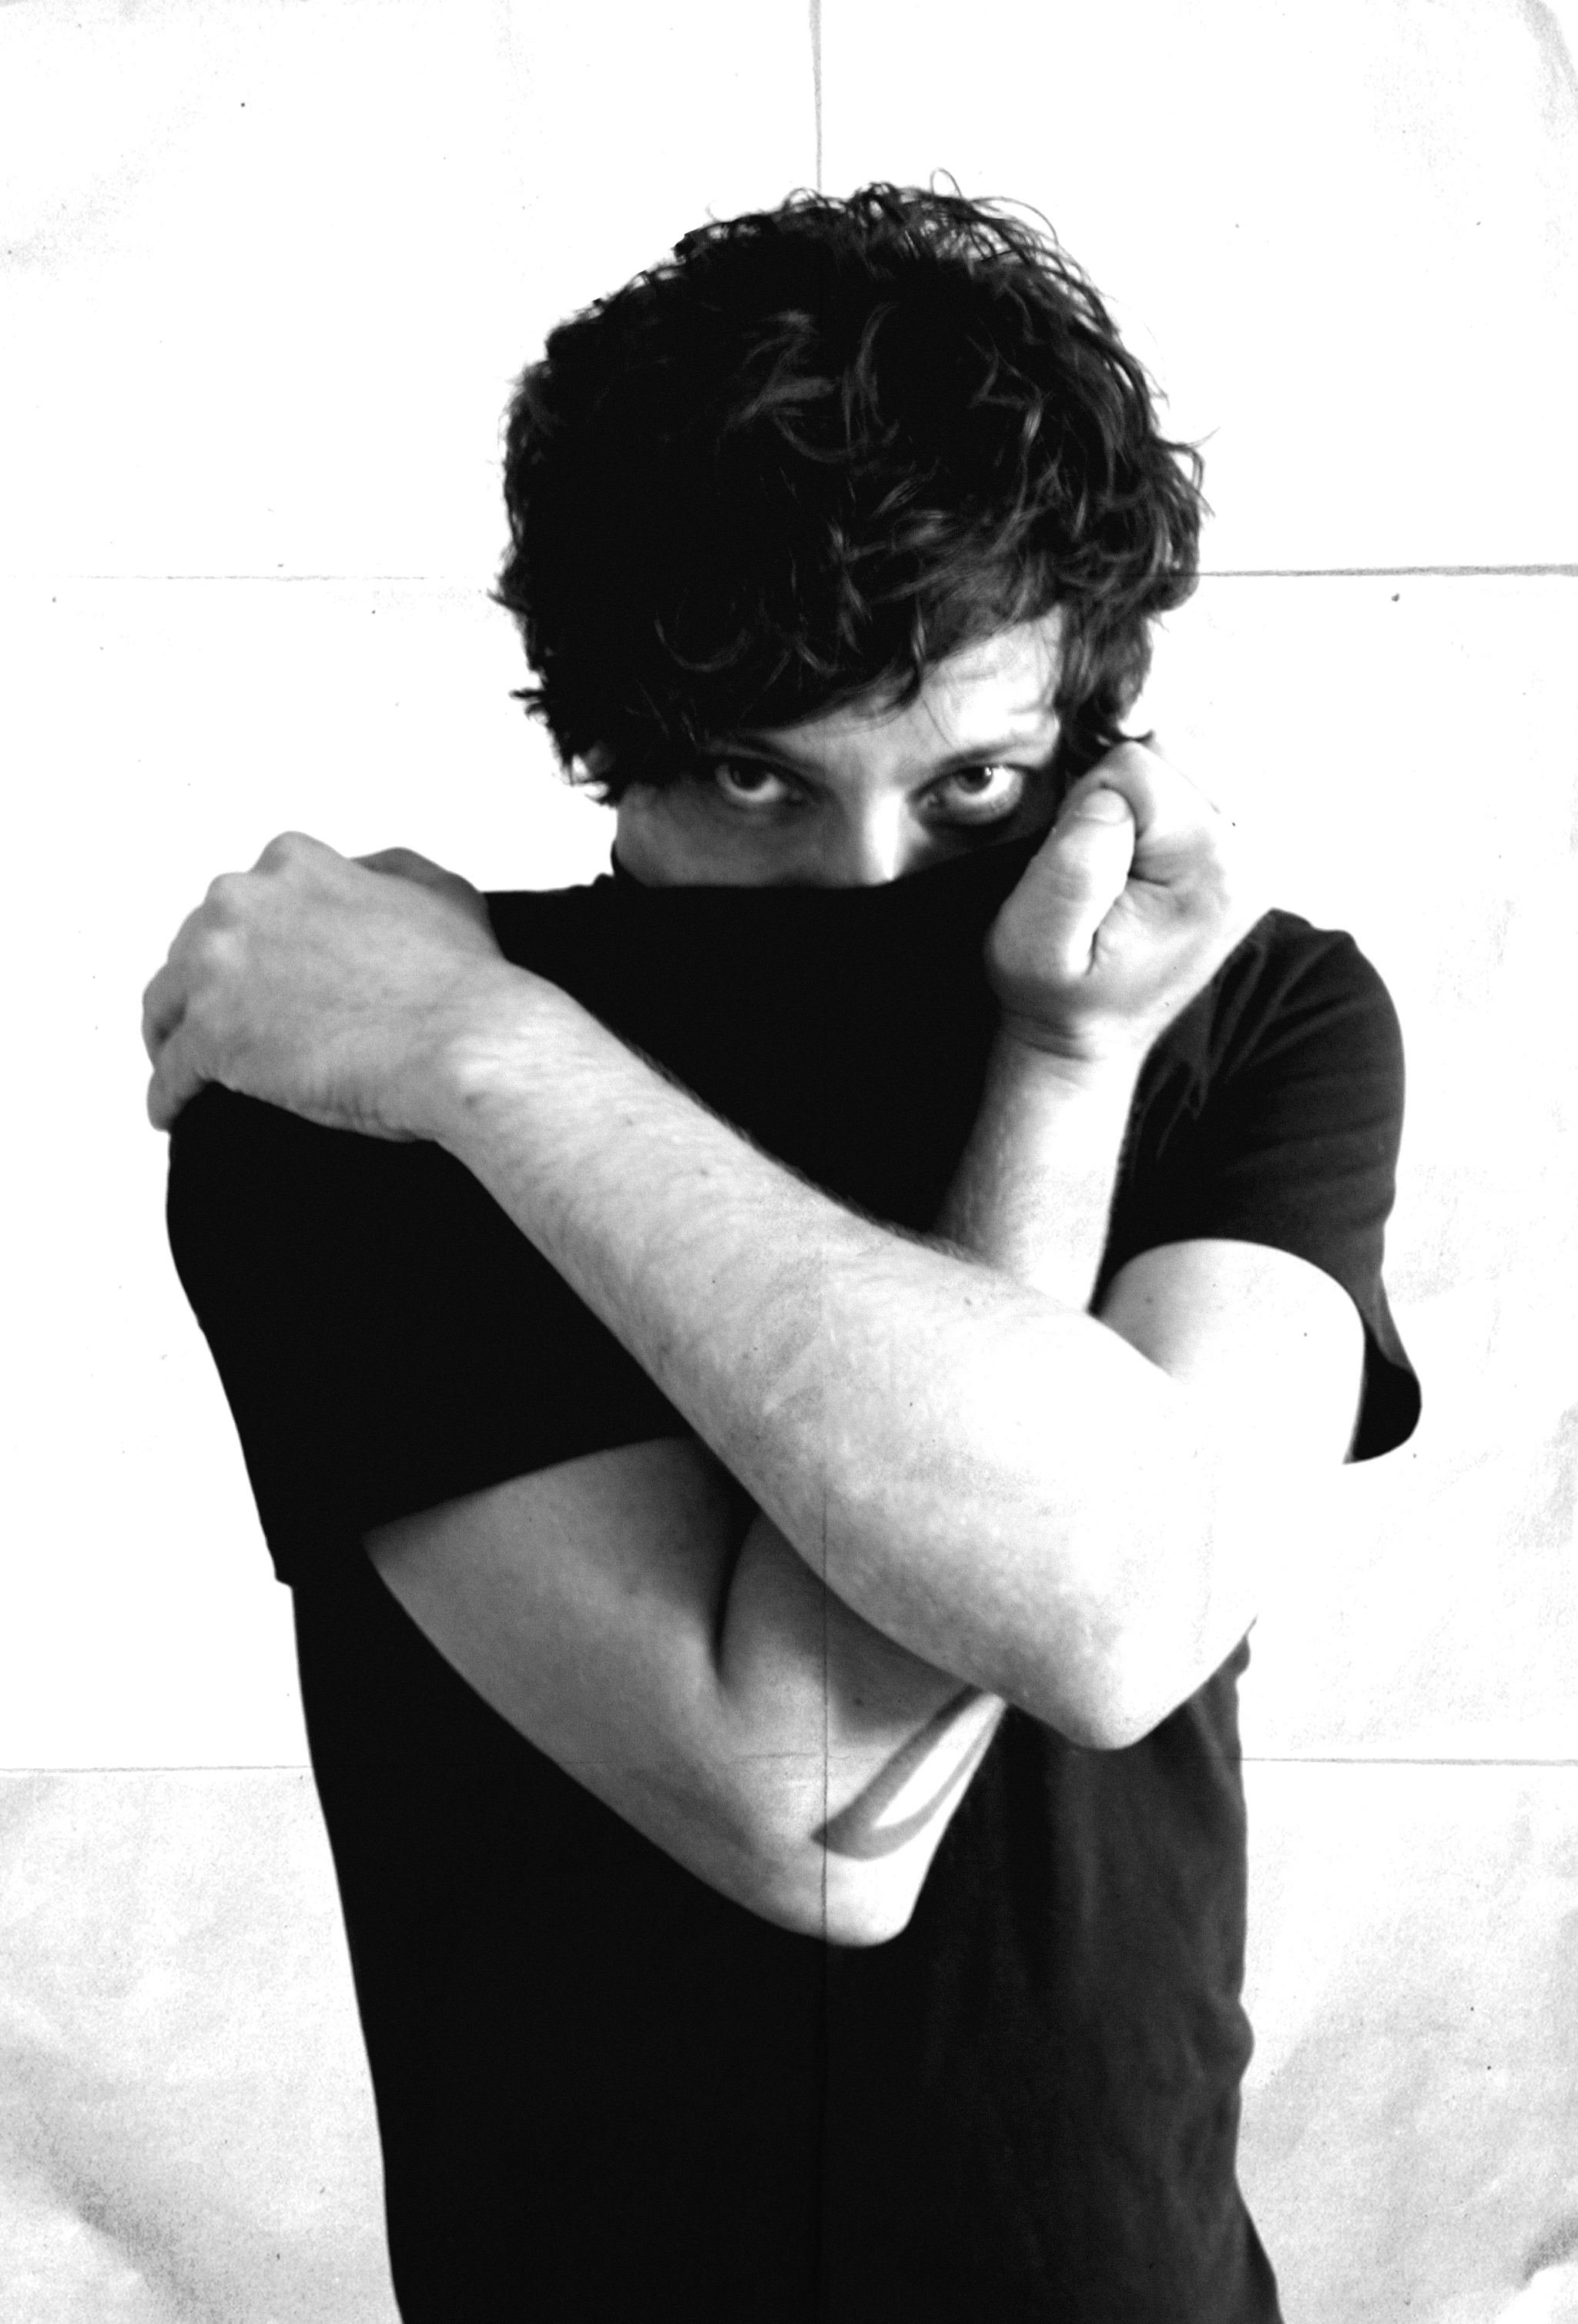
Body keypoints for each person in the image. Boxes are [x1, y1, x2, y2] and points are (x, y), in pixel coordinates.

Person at [145, 186, 1419, 2319]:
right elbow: (810, 1803)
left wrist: (1058, 1060)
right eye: (758, 780)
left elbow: (1108, 1618)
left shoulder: (1250, 1016)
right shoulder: (339, 1101)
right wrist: (474, 1056)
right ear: (607, 724)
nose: (870, 875)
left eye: (976, 781)